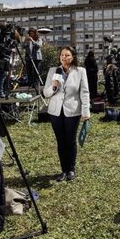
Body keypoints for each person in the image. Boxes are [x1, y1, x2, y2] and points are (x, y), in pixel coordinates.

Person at [43, 46, 90, 182]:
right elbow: (45, 93)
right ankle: (63, 170)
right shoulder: (53, 71)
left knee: (70, 140)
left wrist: (85, 111)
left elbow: (85, 92)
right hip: (55, 111)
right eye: (62, 55)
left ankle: (71, 169)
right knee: (60, 141)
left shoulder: (80, 71)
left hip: (72, 111)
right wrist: (53, 86)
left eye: (67, 55)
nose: (64, 57)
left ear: (73, 57)